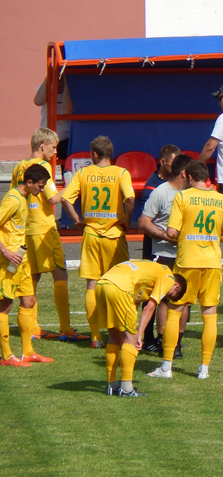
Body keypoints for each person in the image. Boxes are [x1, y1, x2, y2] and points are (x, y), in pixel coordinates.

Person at [148, 160, 223, 380]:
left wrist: (187, 236)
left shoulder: (182, 197)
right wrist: (212, 237)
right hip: (212, 263)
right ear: (206, 178)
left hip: (187, 261)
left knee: (174, 311)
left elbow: (171, 232)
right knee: (209, 315)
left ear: (189, 177)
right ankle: (204, 368)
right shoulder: (222, 199)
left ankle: (166, 366)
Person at [58, 136, 136, 348]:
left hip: (91, 233)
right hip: (114, 234)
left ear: (94, 154)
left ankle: (95, 337)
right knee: (120, 284)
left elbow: (65, 198)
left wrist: (77, 220)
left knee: (92, 284)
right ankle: (121, 331)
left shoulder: (83, 173)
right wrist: (126, 218)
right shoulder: (121, 173)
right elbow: (130, 199)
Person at [11, 129, 86, 341]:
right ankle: (65, 328)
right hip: (44, 228)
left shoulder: (19, 166)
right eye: (53, 147)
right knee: (60, 274)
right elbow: (53, 198)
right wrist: (73, 184)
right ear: (42, 145)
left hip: (26, 229)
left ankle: (33, 328)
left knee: (32, 277)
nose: (55, 152)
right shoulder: (42, 167)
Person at [99, 260, 186, 397]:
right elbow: (149, 308)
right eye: (170, 295)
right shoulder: (168, 278)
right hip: (120, 287)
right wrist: (139, 335)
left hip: (102, 283)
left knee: (114, 336)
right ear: (176, 285)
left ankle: (112, 385)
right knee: (131, 340)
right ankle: (126, 389)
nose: (165, 296)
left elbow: (135, 302)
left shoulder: (151, 274)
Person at [137, 153, 193, 356]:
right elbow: (143, 223)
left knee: (183, 299)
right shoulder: (161, 192)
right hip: (163, 253)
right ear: (184, 173)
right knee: (164, 298)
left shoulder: (191, 194)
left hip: (186, 255)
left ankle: (176, 343)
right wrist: (165, 236)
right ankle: (163, 341)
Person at [0, 164, 54, 367]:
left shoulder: (24, 198)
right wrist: (5, 251)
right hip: (8, 261)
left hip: (21, 261)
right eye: (40, 186)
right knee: (5, 305)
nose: (42, 190)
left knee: (29, 300)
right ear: (29, 182)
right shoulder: (12, 200)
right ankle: (7, 356)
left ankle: (28, 352)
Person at [141, 144, 181, 260]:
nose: (177, 167)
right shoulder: (152, 187)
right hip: (157, 251)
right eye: (174, 163)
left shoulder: (181, 183)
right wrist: (166, 236)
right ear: (163, 162)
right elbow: (143, 221)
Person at [33, 77, 72, 159]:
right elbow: (38, 101)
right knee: (44, 164)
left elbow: (66, 110)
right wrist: (48, 77)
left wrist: (66, 82)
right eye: (56, 80)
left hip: (65, 137)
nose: (59, 84)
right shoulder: (45, 89)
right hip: (47, 137)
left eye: (61, 80)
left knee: (66, 164)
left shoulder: (69, 91)